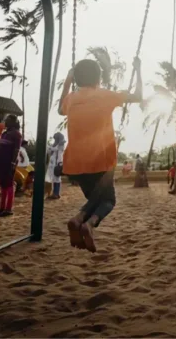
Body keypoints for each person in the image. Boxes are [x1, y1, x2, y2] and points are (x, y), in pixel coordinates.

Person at [59, 56, 143, 252]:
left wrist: (67, 81)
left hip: (75, 164)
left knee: (96, 199)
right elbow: (138, 96)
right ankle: (86, 223)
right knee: (109, 200)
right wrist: (138, 69)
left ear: (77, 79)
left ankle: (81, 219)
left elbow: (59, 110)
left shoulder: (71, 99)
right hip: (101, 161)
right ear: (98, 79)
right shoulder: (106, 95)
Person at [0, 115, 22, 216]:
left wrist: (13, 163)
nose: (6, 122)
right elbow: (0, 148)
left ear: (13, 122)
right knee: (3, 184)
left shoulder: (16, 134)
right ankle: (2, 207)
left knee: (9, 184)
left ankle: (8, 209)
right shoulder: (4, 134)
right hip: (2, 161)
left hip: (9, 161)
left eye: (8, 121)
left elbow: (16, 149)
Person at [46, 132, 66, 199]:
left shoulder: (60, 145)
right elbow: (50, 151)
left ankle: (56, 194)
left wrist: (48, 147)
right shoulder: (56, 145)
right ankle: (56, 193)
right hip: (54, 163)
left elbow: (54, 149)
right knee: (55, 179)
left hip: (56, 164)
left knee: (56, 179)